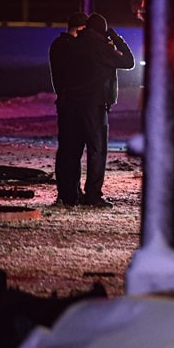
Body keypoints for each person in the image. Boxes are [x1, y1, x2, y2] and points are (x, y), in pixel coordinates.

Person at [51, 12, 135, 208]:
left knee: (70, 151)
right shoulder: (100, 47)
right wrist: (115, 38)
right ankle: (93, 196)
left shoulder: (69, 45)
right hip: (94, 106)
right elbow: (129, 61)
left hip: (70, 105)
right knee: (97, 150)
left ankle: (69, 196)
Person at [49, 11, 89, 207]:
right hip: (71, 104)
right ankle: (68, 193)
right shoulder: (69, 47)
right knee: (70, 151)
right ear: (80, 28)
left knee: (69, 150)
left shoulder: (59, 45)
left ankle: (70, 192)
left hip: (66, 103)